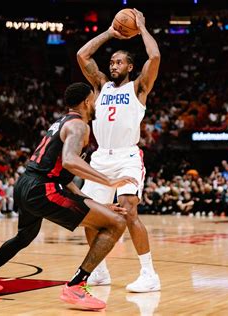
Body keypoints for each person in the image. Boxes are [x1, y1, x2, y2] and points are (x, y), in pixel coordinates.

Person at [0, 82, 138, 311]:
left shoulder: (60, 123)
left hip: (26, 183)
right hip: (42, 188)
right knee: (116, 223)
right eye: (94, 99)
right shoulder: (79, 126)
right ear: (87, 101)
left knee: (24, 236)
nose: (96, 104)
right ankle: (76, 285)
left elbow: (65, 178)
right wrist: (109, 181)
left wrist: (100, 204)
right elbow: (69, 161)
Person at [76, 8, 161, 292]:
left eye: (119, 62)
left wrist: (143, 27)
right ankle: (99, 271)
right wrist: (110, 33)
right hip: (100, 157)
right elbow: (82, 56)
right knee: (89, 215)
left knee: (128, 212)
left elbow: (155, 57)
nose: (113, 65)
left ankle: (149, 274)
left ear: (130, 67)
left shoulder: (138, 88)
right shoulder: (100, 86)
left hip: (126, 156)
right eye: (112, 61)